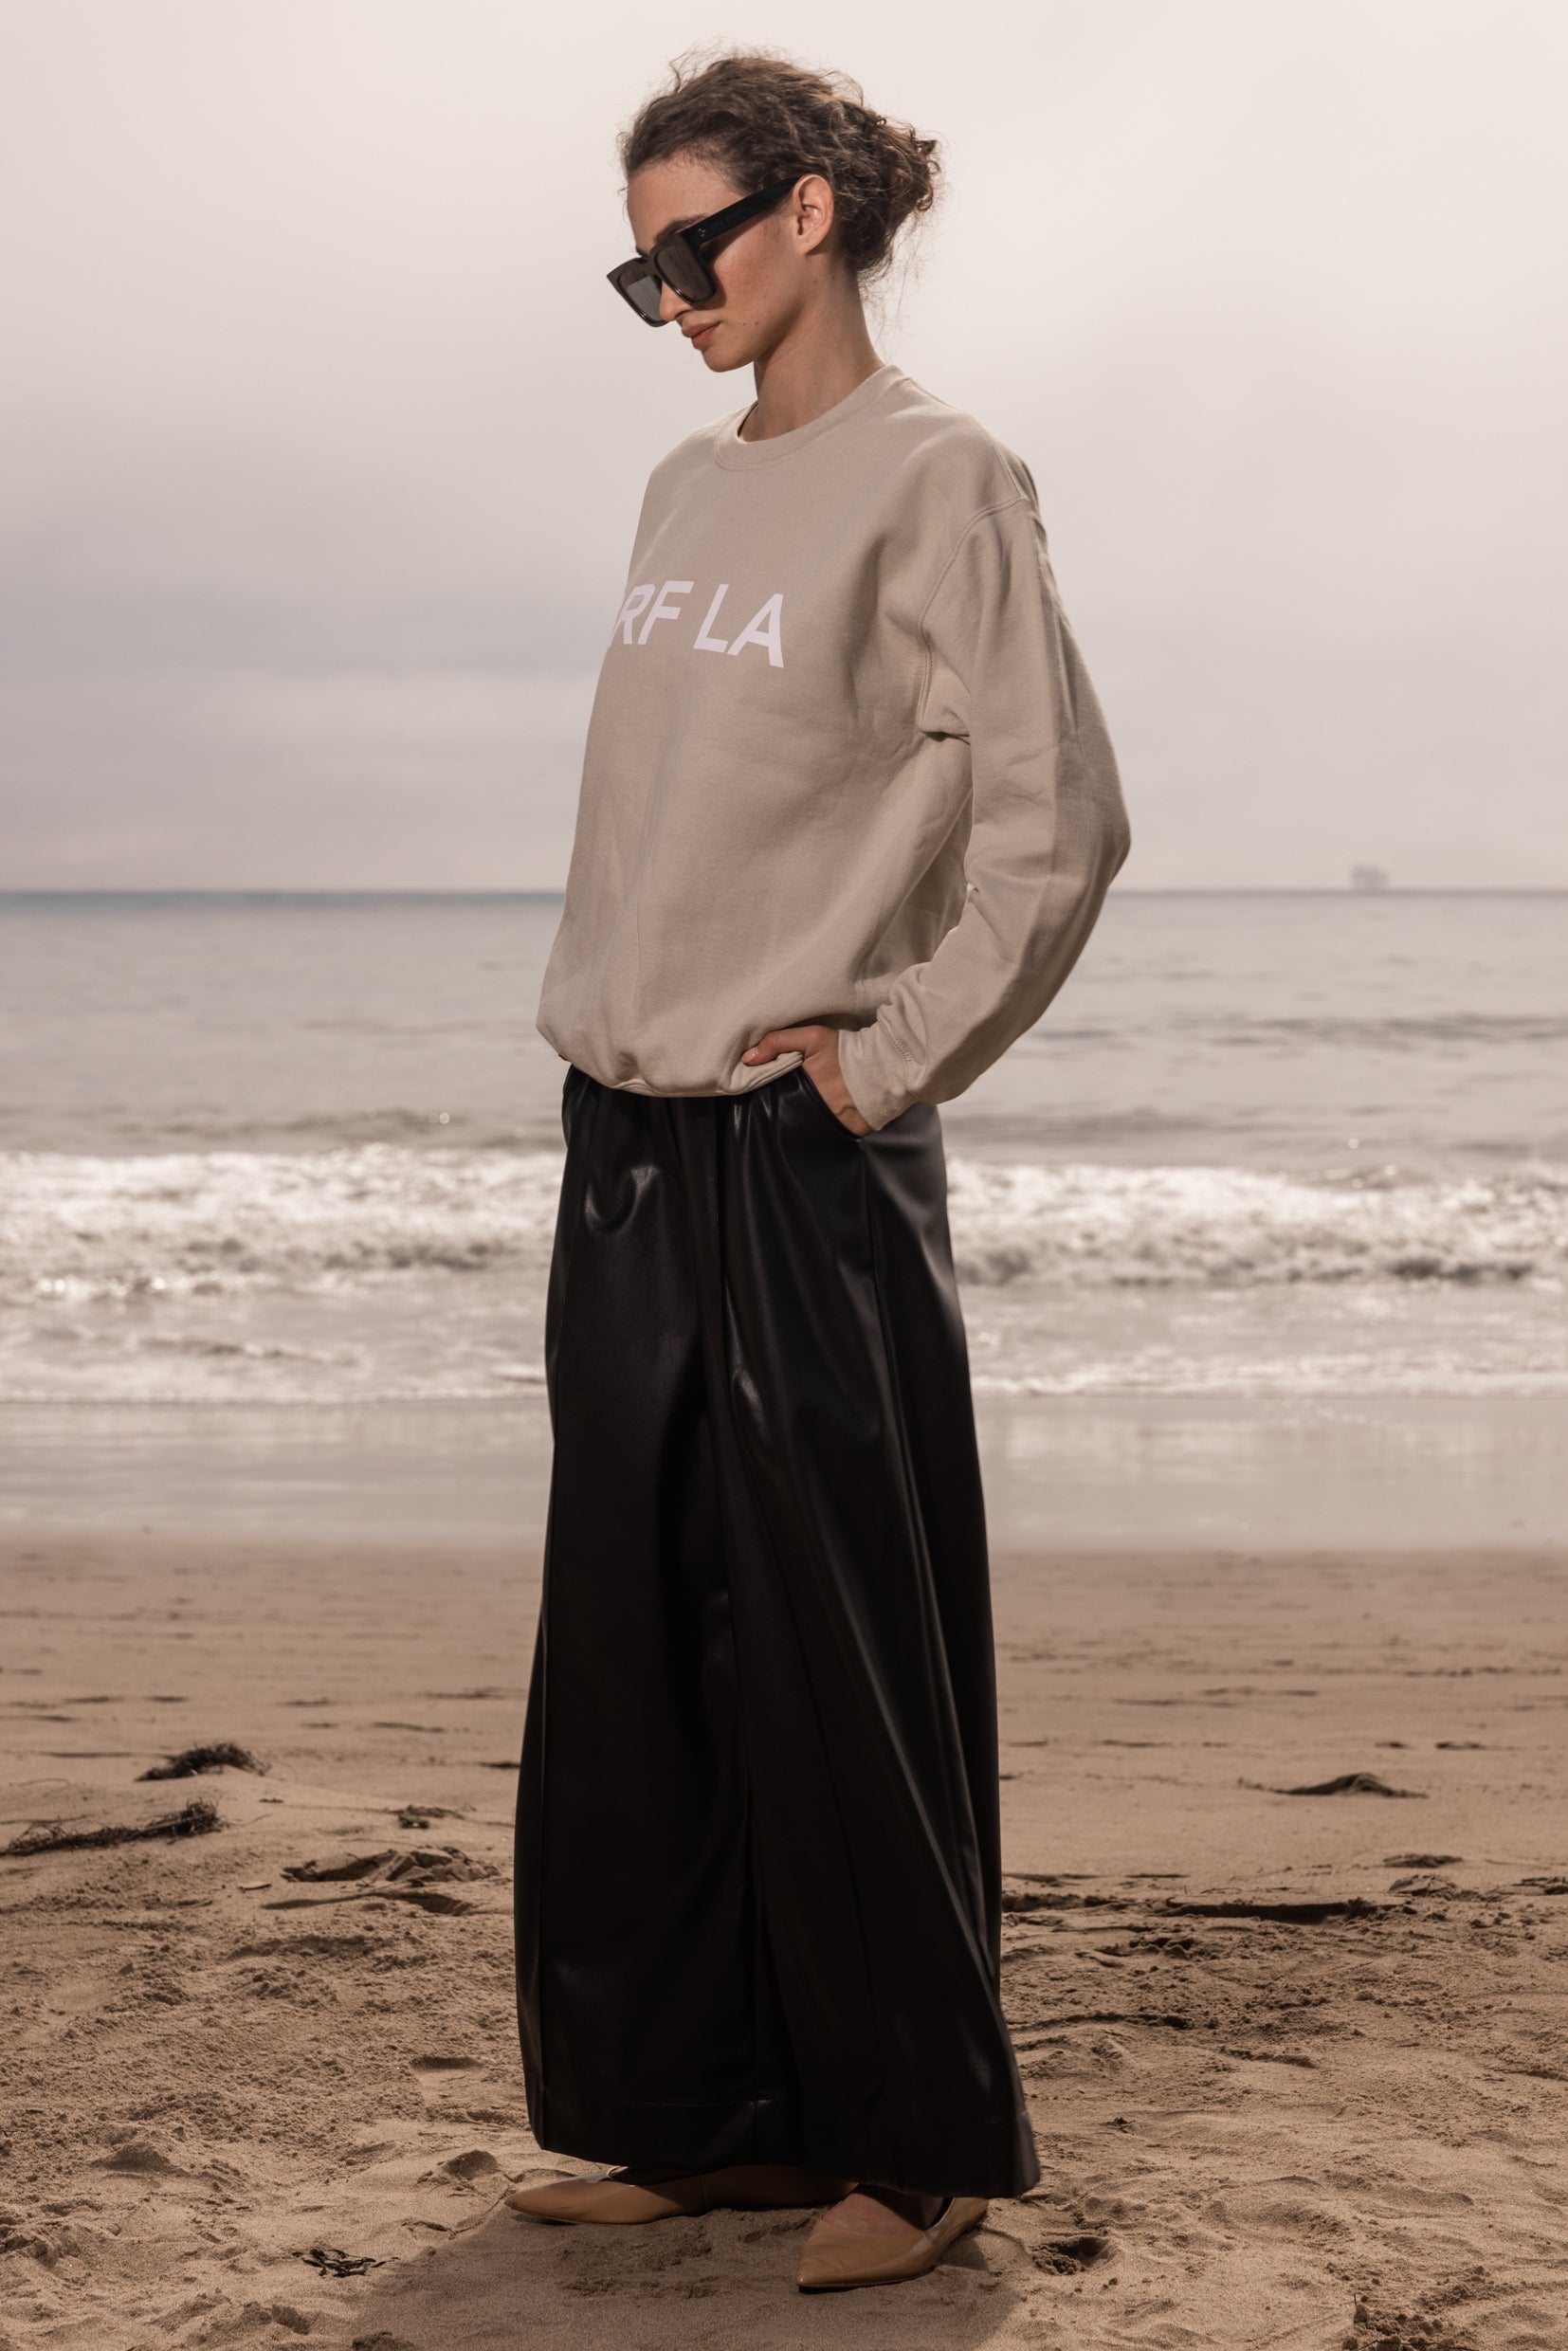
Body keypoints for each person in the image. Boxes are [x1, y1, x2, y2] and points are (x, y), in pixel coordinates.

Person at [507, 47, 1129, 2296]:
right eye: (636, 268)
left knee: (837, 1656)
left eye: (690, 247)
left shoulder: (939, 475)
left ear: (805, 215)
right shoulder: (681, 488)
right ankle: (702, 2121)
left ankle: (909, 2139)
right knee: (641, 1659)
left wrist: (884, 1060)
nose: (667, 294)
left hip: (800, 1140)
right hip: (624, 1131)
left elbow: (1056, 822)